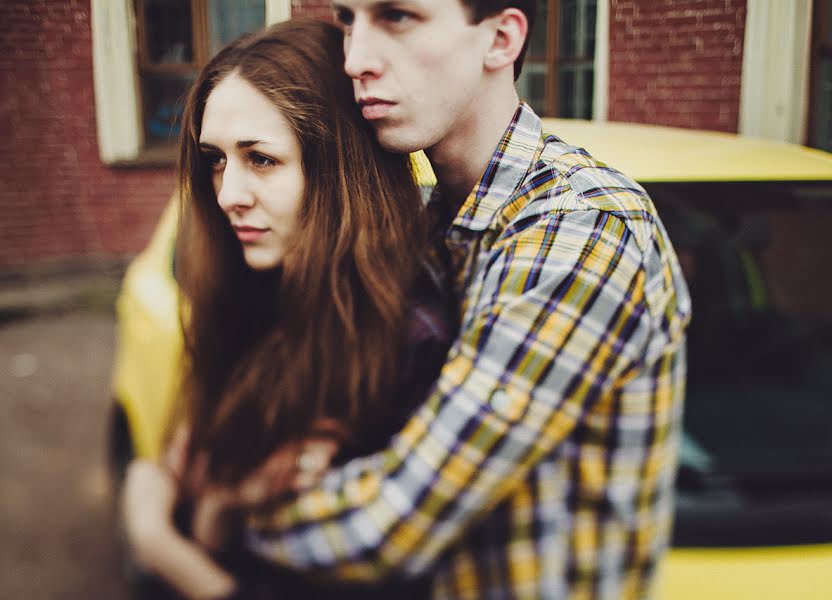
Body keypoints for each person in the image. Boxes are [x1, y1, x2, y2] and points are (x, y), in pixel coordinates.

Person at [132, 1, 693, 598]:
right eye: (348, 19)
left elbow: (392, 524)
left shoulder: (579, 230)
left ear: (501, 39)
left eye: (397, 17)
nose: (356, 58)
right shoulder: (430, 232)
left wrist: (214, 518)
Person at [121, 17, 456, 599]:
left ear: (339, 168)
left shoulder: (409, 345)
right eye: (217, 160)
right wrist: (213, 511)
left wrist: (159, 540)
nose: (227, 194)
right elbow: (203, 508)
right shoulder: (250, 298)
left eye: (261, 159)